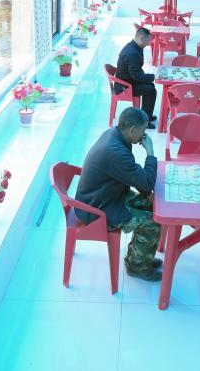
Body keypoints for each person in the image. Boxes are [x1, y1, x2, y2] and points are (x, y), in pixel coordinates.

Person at [75, 107, 164, 281]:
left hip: (106, 195)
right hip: (97, 208)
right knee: (152, 222)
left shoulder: (114, 134)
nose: (144, 135)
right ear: (133, 130)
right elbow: (146, 182)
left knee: (154, 207)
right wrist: (150, 153)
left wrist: (147, 194)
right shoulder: (115, 152)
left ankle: (139, 257)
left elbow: (133, 177)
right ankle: (137, 267)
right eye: (143, 131)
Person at [115, 26, 157, 127]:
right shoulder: (132, 53)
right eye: (148, 40)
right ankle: (144, 122)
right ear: (142, 38)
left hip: (128, 79)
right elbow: (136, 76)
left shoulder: (134, 46)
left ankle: (146, 115)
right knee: (151, 91)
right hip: (125, 86)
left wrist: (148, 78)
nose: (149, 43)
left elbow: (136, 72)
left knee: (150, 86)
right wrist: (153, 76)